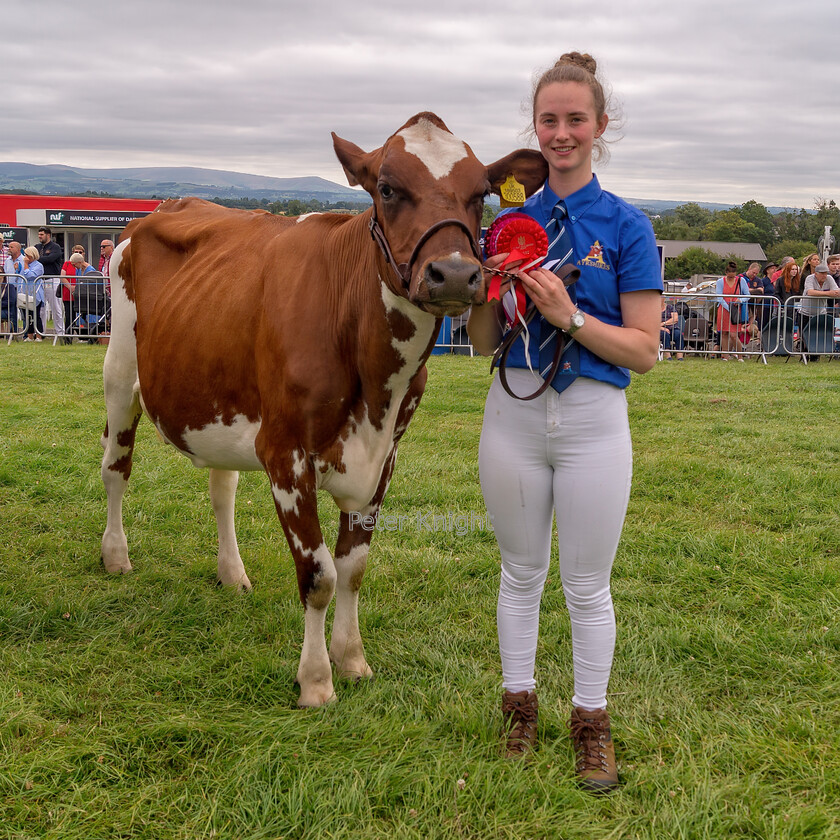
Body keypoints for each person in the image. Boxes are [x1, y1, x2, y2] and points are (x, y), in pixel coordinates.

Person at [467, 51, 661, 792]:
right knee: (519, 573)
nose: (561, 132)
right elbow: (485, 342)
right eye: (549, 119)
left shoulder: (627, 226)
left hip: (592, 421)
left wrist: (567, 315)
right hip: (513, 412)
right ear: (536, 127)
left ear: (600, 126)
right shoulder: (511, 221)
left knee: (586, 585)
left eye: (575, 119)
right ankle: (518, 708)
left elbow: (643, 352)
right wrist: (488, 294)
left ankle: (592, 725)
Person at [715, 261, 749, 360]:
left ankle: (740, 356)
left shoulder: (741, 281)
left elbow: (747, 295)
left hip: (735, 310)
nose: (731, 278)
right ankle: (725, 356)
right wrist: (727, 307)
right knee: (724, 333)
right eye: (729, 277)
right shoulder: (720, 281)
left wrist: (740, 300)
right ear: (726, 273)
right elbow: (719, 297)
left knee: (734, 335)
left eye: (733, 276)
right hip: (723, 309)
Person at [36, 226, 64, 338]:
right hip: (40, 280)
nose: (39, 236)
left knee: (56, 308)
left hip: (52, 279)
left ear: (48, 235)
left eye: (42, 234)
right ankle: (41, 333)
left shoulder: (55, 247)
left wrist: (37, 258)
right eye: (39, 234)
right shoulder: (37, 247)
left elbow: (50, 259)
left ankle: (60, 333)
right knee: (41, 309)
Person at [60, 245, 86, 341]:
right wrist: (70, 287)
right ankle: (68, 337)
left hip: (81, 294)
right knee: (69, 316)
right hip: (68, 294)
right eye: (76, 252)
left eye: (80, 252)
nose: (78, 254)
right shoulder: (67, 264)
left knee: (82, 316)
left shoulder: (85, 265)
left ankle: (83, 336)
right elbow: (62, 276)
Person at [20, 246, 45, 340]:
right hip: (25, 293)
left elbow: (30, 275)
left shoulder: (38, 266)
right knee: (27, 316)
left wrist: (25, 265)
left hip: (36, 293)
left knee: (35, 315)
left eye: (27, 255)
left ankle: (39, 335)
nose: (25, 257)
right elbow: (21, 276)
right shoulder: (23, 265)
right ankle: (29, 336)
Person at [1, 240, 19, 334]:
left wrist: (17, 270)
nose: (9, 249)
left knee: (21, 313)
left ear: (18, 249)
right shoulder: (7, 261)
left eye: (12, 247)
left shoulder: (23, 260)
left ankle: (20, 333)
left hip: (20, 288)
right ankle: (11, 333)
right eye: (9, 247)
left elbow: (23, 275)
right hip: (9, 287)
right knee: (12, 310)